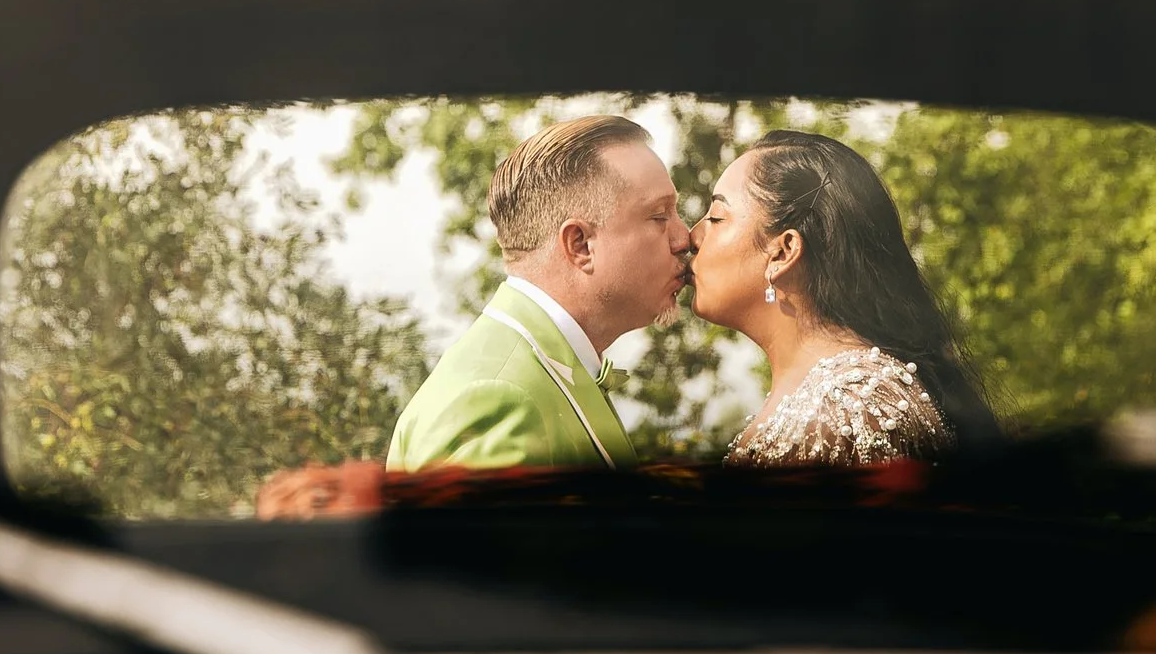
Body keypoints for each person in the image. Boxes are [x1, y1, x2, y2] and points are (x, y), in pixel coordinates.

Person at [388, 114, 694, 471]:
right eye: (659, 217)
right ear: (580, 245)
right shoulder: (498, 399)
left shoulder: (542, 369)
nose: (683, 238)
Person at [690, 129, 998, 465]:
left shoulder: (849, 410)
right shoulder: (829, 399)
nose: (693, 235)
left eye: (717, 217)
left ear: (783, 251)